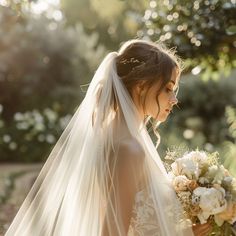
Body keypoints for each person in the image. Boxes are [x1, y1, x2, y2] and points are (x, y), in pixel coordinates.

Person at [5, 39, 212, 236]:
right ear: (141, 86)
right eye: (168, 89)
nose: (175, 99)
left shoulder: (111, 138)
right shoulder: (129, 149)